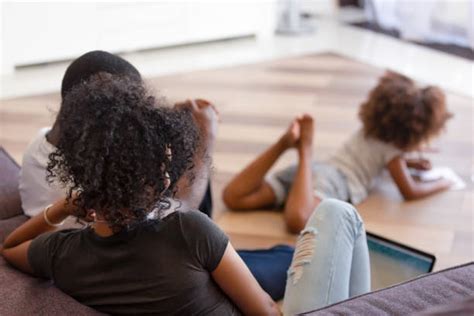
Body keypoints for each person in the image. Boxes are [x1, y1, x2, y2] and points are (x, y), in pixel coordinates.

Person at [2, 74, 370, 315]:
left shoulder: (64, 254)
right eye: (161, 165)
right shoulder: (189, 231)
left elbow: (9, 246)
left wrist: (68, 203)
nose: (167, 169)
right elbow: (266, 313)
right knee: (339, 214)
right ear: (156, 182)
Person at [223, 72, 453, 233]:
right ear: (415, 131)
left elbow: (373, 159)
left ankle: (284, 145)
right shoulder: (393, 151)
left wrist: (409, 164)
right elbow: (410, 191)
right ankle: (306, 150)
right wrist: (443, 182)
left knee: (234, 198)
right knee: (298, 220)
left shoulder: (370, 129)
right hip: (335, 181)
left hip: (313, 172)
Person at [18, 50, 214, 219]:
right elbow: (184, 211)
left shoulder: (39, 145)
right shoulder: (99, 190)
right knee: (191, 161)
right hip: (135, 252)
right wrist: (206, 135)